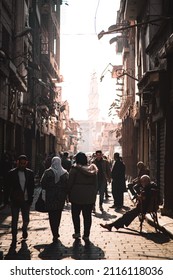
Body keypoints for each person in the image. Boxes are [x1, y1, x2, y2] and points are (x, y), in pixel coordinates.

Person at [4, 155, 35, 248]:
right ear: (17, 162)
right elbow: (7, 187)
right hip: (15, 199)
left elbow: (32, 187)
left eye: (24, 163)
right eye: (20, 163)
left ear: (26, 163)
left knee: (26, 219)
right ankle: (14, 237)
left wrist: (31, 198)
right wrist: (6, 199)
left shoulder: (30, 173)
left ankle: (24, 229)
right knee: (14, 219)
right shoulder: (12, 173)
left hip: (26, 200)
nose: (22, 165)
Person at [68, 152, 98, 246]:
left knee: (76, 215)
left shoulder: (74, 169)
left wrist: (68, 193)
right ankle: (86, 235)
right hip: (89, 196)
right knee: (87, 216)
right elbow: (96, 185)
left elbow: (70, 183)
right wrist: (93, 194)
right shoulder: (92, 169)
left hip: (76, 195)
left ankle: (77, 232)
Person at [40, 156, 69, 243]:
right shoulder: (65, 173)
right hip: (60, 197)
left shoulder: (48, 172)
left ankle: (54, 232)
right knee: (58, 214)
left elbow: (42, 183)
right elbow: (68, 185)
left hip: (50, 197)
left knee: (51, 215)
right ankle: (56, 231)